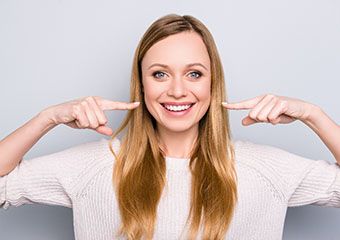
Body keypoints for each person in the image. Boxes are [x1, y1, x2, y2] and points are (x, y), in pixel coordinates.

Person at [0, 13, 339, 240]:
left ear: (212, 83)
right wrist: (48, 118)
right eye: (160, 74)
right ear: (142, 84)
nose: (177, 90)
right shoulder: (94, 165)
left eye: (194, 73)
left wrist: (313, 115)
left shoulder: (266, 169)